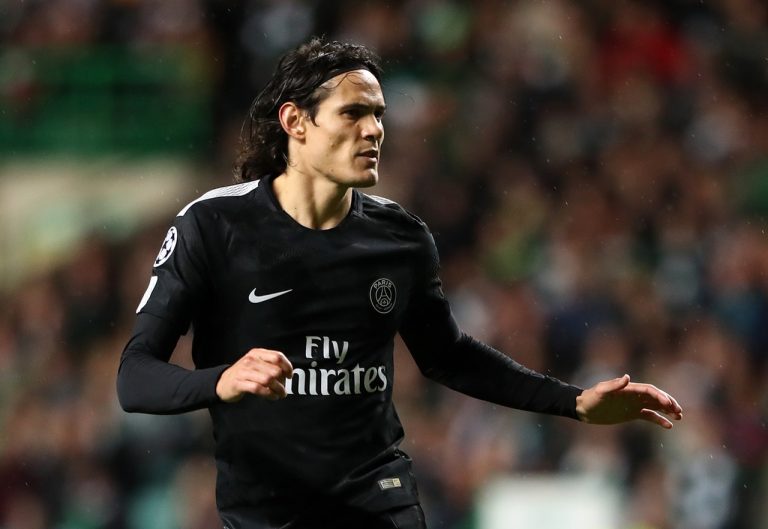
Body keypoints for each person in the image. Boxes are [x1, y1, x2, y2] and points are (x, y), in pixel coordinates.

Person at [117, 37, 683, 529]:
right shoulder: (214, 226)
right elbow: (135, 377)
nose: (374, 130)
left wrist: (575, 402)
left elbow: (448, 356)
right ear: (295, 122)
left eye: (379, 114)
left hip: (377, 497)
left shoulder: (400, 238)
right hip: (266, 509)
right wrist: (220, 380)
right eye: (352, 113)